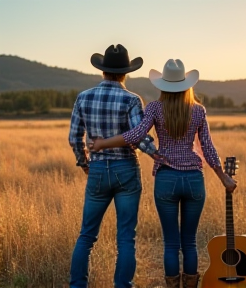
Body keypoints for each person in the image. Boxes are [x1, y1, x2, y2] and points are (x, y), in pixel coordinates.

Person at [89, 59, 237, 288]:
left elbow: (135, 135)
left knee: (170, 243)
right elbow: (208, 147)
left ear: (163, 86)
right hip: (194, 181)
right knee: (189, 242)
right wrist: (223, 177)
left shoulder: (155, 108)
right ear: (187, 85)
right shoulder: (198, 110)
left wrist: (102, 144)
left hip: (166, 179)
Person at [68, 44, 159, 288]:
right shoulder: (131, 99)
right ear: (125, 73)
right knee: (126, 238)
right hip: (126, 169)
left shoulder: (83, 97)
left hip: (97, 170)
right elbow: (139, 137)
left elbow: (73, 138)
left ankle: (77, 286)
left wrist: (84, 163)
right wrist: (158, 155)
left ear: (103, 71)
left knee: (86, 236)